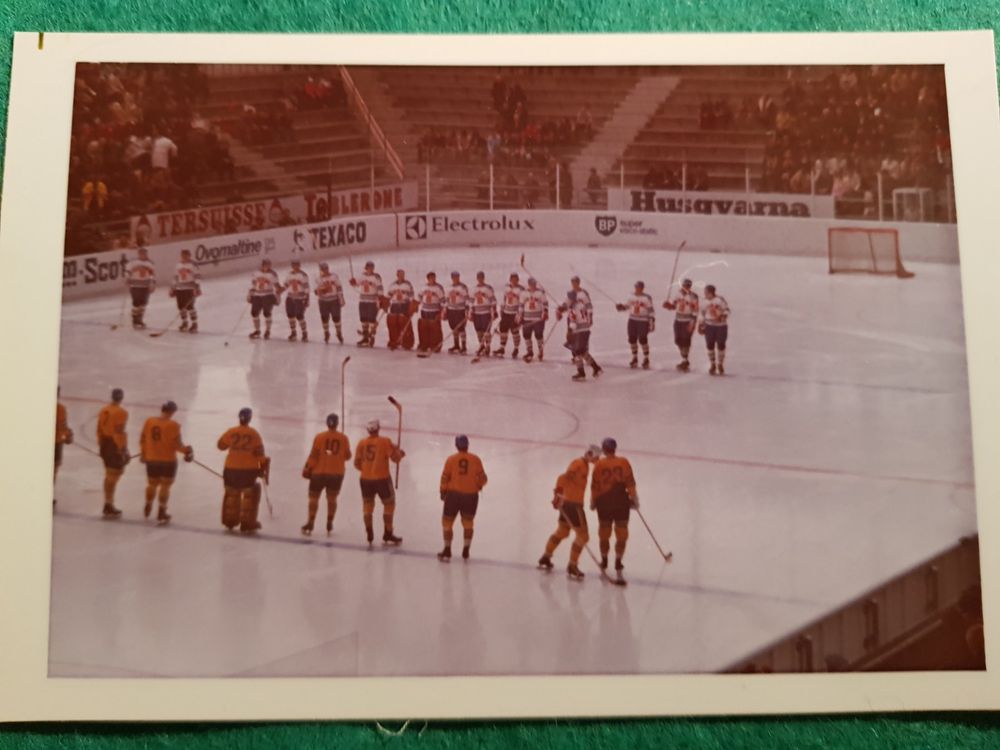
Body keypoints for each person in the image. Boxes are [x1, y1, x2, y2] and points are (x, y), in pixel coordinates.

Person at [538, 445, 600, 579]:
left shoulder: (584, 465)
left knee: (563, 531)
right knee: (583, 536)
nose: (597, 459)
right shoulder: (578, 464)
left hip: (567, 504)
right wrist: (558, 495)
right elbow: (563, 477)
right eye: (596, 457)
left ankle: (546, 556)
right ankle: (572, 565)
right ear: (590, 454)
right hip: (573, 505)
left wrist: (560, 497)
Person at [139, 401, 193, 525]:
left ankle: (148, 504)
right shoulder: (174, 425)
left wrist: (144, 453)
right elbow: (177, 445)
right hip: (167, 461)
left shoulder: (149, 422)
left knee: (152, 484)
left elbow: (143, 439)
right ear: (172, 411)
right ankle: (161, 510)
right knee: (165, 486)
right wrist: (187, 451)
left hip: (152, 459)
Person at [590, 437, 638, 579]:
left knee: (604, 531)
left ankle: (604, 560)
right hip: (620, 501)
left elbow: (595, 485)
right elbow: (630, 481)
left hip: (604, 502)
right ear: (615, 448)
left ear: (604, 450)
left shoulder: (599, 465)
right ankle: (618, 561)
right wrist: (634, 498)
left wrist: (593, 501)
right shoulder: (623, 462)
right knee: (621, 532)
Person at [353, 419, 405, 545]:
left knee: (367, 504)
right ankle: (388, 532)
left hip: (365, 479)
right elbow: (395, 458)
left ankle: (369, 531)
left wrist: (367, 469)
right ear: (378, 429)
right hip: (382, 479)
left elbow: (356, 463)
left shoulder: (361, 443)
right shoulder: (384, 441)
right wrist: (400, 454)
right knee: (389, 504)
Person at [217, 407, 269, 533]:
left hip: (230, 469)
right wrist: (264, 469)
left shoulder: (231, 431)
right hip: (248, 470)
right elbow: (260, 455)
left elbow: (221, 446)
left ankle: (230, 520)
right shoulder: (254, 434)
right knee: (249, 496)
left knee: (232, 494)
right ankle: (247, 522)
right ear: (250, 418)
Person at [437, 435, 488, 561]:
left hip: (453, 495)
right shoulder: (475, 459)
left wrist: (443, 491)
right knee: (468, 523)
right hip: (471, 496)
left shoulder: (451, 460)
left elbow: (444, 478)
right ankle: (466, 549)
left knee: (447, 523)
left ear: (456, 446)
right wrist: (478, 486)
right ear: (467, 445)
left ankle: (447, 549)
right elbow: (483, 479)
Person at [301, 413, 352, 536]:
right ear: (337, 423)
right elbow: (348, 456)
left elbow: (314, 455)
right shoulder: (343, 438)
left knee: (313, 498)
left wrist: (307, 467)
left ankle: (311, 521)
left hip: (319, 473)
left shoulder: (319, 437)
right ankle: (329, 521)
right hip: (336, 473)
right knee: (332, 499)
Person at [96, 388, 129, 518]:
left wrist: (101, 445)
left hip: (104, 443)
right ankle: (109, 504)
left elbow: (99, 428)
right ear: (121, 398)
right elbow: (119, 433)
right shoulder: (121, 412)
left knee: (109, 474)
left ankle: (108, 502)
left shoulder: (104, 410)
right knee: (115, 474)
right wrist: (123, 450)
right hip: (114, 445)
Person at [616, 280, 655, 369]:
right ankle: (634, 357)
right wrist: (621, 307)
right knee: (632, 339)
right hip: (633, 319)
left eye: (638, 287)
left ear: (642, 288)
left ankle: (646, 358)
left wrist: (652, 321)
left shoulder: (646, 298)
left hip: (643, 320)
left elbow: (651, 310)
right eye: (636, 287)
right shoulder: (631, 296)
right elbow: (628, 306)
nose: (637, 289)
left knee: (642, 339)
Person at [663, 278, 699, 371]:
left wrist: (692, 323)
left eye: (688, 285)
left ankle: (685, 360)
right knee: (678, 340)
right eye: (685, 285)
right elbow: (674, 306)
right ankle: (684, 358)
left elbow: (695, 311)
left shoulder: (693, 296)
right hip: (678, 320)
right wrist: (668, 305)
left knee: (686, 340)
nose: (686, 287)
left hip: (688, 320)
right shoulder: (678, 294)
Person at [565, 290, 602, 381]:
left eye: (569, 298)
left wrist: (569, 332)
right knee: (582, 351)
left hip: (579, 331)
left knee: (577, 352)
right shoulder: (582, 305)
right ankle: (596, 368)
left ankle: (581, 373)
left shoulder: (572, 309)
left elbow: (573, 323)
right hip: (586, 330)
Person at [349, 260, 384, 347]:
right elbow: (356, 284)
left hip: (372, 300)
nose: (370, 269)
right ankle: (365, 338)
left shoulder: (376, 277)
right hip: (363, 300)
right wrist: (353, 282)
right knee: (363, 319)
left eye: (371, 267)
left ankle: (371, 337)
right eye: (368, 267)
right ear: (366, 268)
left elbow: (380, 287)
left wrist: (380, 298)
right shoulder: (362, 276)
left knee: (371, 319)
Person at [699, 284, 731, 375]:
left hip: (721, 326)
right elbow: (701, 313)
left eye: (706, 292)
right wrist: (700, 324)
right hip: (709, 326)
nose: (704, 294)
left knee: (721, 344)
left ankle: (720, 364)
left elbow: (727, 310)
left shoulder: (720, 300)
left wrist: (722, 316)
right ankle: (712, 364)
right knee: (710, 345)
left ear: (711, 293)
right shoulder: (704, 301)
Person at [247, 258, 282, 340]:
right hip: (257, 295)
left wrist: (278, 295)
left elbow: (277, 286)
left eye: (269, 265)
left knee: (267, 313)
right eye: (266, 265)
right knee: (254, 313)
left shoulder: (272, 274)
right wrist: (250, 294)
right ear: (262, 265)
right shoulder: (256, 273)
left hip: (267, 295)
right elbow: (253, 284)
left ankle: (267, 331)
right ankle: (257, 330)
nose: (268, 267)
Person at [493, 272, 525, 358]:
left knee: (514, 331)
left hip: (515, 313)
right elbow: (504, 298)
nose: (514, 281)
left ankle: (516, 348)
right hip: (506, 312)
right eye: (512, 279)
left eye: (516, 279)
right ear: (510, 280)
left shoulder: (521, 289)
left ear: (518, 280)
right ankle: (502, 348)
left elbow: (523, 302)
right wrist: (502, 309)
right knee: (503, 329)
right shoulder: (507, 287)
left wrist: (519, 314)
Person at [125, 245, 156, 329]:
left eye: (145, 253)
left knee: (143, 303)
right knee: (136, 303)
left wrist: (152, 284)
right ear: (139, 254)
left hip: (145, 285)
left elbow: (152, 275)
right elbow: (128, 271)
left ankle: (140, 319)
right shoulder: (133, 262)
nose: (143, 255)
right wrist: (127, 278)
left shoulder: (150, 263)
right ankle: (135, 320)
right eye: (141, 253)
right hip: (135, 285)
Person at [416, 271, 446, 357]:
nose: (433, 279)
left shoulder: (438, 287)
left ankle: (435, 345)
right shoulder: (424, 287)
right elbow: (419, 296)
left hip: (434, 310)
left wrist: (441, 311)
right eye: (431, 278)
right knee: (425, 328)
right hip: (425, 310)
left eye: (434, 277)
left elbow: (443, 300)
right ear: (428, 279)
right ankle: (424, 345)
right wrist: (417, 303)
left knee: (435, 329)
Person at [469, 271, 497, 361]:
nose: (480, 279)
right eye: (479, 277)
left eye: (481, 277)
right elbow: (471, 301)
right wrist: (470, 311)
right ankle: (481, 345)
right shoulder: (474, 289)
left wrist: (494, 311)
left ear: (483, 278)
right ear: (477, 278)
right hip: (477, 312)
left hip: (486, 312)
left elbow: (493, 300)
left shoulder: (488, 288)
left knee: (486, 330)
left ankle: (487, 347)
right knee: (479, 330)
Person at [171, 248, 201, 333]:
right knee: (181, 306)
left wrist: (197, 287)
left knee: (190, 306)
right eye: (183, 255)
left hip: (190, 288)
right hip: (180, 288)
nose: (184, 257)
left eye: (186, 255)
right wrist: (173, 287)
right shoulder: (178, 265)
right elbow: (175, 277)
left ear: (189, 256)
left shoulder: (193, 265)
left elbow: (198, 276)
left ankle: (194, 324)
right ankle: (184, 322)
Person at [314, 262, 345, 344]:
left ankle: (339, 333)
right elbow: (316, 292)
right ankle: (326, 333)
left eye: (326, 268)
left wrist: (341, 298)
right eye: (323, 269)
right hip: (323, 301)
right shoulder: (318, 279)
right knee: (324, 318)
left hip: (334, 300)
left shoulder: (334, 277)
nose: (325, 270)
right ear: (321, 270)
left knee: (336, 318)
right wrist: (322, 290)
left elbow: (339, 287)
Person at [520, 277, 549, 363]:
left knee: (538, 334)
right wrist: (520, 315)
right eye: (531, 283)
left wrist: (545, 312)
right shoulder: (524, 293)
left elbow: (545, 304)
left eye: (534, 283)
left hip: (538, 318)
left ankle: (540, 351)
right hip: (527, 318)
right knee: (526, 335)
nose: (532, 285)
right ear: (528, 284)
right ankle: (529, 351)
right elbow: (521, 305)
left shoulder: (540, 293)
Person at [386, 268, 416, 351]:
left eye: (403, 275)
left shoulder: (408, 284)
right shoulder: (392, 285)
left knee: (404, 322)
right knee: (394, 323)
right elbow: (389, 295)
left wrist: (411, 306)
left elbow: (411, 296)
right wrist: (385, 303)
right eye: (400, 275)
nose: (401, 276)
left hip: (404, 304)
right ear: (397, 275)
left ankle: (407, 342)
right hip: (395, 304)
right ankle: (395, 340)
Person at [54, 388, 73, 503]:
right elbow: (63, 425)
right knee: (54, 469)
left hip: (55, 442)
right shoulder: (60, 409)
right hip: (56, 442)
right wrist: (68, 435)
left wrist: (67, 434)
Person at [283, 259, 311, 342]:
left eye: (296, 265)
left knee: (299, 315)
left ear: (299, 265)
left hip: (300, 298)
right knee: (290, 315)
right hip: (290, 297)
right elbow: (286, 285)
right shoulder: (289, 275)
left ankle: (304, 333)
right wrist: (280, 290)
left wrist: (306, 298)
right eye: (293, 265)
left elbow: (306, 287)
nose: (295, 267)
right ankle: (293, 332)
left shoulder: (303, 275)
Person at [445, 271, 470, 354]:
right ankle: (456, 345)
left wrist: (467, 309)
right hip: (451, 309)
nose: (456, 278)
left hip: (460, 309)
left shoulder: (463, 287)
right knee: (453, 327)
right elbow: (447, 299)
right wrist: (445, 309)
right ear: (452, 278)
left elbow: (467, 298)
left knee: (461, 328)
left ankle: (463, 346)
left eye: (457, 277)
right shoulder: (449, 287)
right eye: (454, 277)